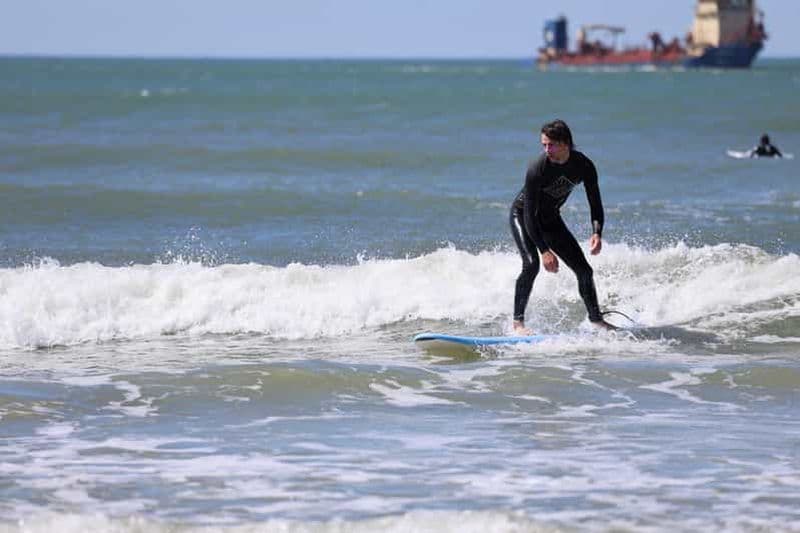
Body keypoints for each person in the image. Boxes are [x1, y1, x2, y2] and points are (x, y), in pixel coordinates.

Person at [509, 119, 615, 334]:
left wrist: (597, 232)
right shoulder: (537, 169)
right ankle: (518, 324)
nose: (546, 149)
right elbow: (529, 214)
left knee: (584, 271)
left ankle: (596, 321)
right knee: (531, 265)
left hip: (550, 219)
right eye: (544, 145)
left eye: (551, 145)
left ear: (565, 143)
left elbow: (595, 201)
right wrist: (544, 250)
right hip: (523, 216)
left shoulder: (583, 165)